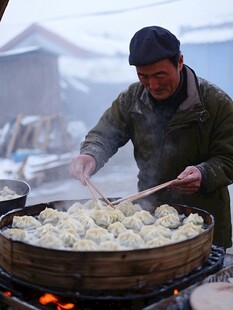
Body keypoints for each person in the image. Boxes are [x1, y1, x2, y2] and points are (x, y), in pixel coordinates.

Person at [70, 25, 233, 250]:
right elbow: (104, 133)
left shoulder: (215, 103)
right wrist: (91, 154)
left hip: (204, 221)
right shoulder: (132, 99)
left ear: (180, 62)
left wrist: (204, 173)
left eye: (160, 75)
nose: (153, 85)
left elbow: (230, 158)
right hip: (149, 216)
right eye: (143, 76)